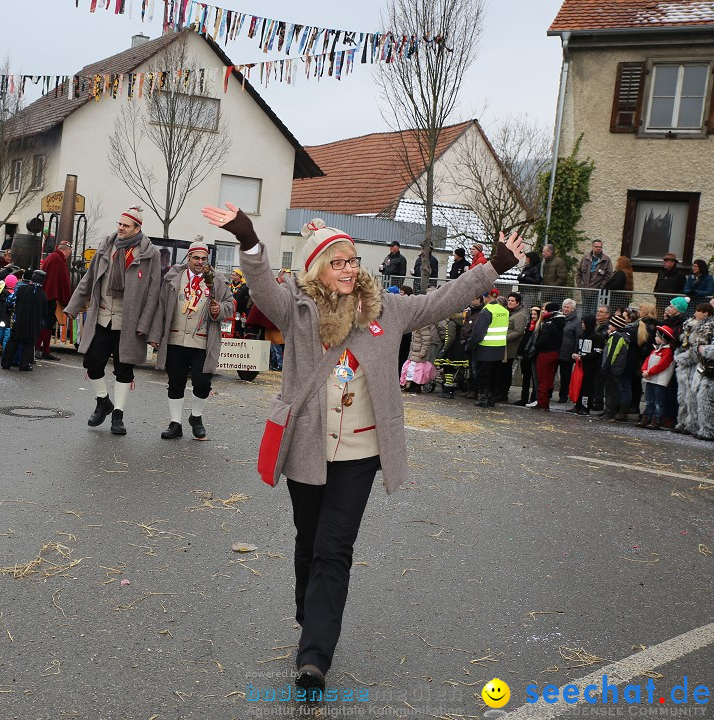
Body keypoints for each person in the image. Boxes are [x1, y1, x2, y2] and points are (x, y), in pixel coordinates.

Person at [201, 201, 522, 692]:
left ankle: (314, 658)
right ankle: (309, 611)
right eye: (338, 262)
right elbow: (263, 284)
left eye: (352, 261)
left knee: (335, 548)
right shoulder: (299, 309)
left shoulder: (387, 310)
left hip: (360, 454)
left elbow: (442, 300)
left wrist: (494, 265)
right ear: (317, 270)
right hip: (307, 448)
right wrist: (247, 235)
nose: (350, 269)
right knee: (309, 542)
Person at [64, 206, 162, 435]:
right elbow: (88, 280)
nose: (120, 228)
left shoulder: (150, 254)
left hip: (130, 322)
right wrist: (72, 307)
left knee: (124, 369)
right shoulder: (106, 247)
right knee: (92, 361)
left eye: (125, 226)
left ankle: (118, 414)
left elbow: (153, 293)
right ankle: (103, 401)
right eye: (119, 224)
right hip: (103, 318)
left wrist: (146, 325)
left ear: (137, 228)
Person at [149, 238, 233, 439]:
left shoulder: (217, 281)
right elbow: (161, 307)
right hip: (176, 339)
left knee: (202, 382)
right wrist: (155, 335)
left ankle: (196, 417)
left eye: (204, 259)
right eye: (196, 258)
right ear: (188, 258)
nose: (200, 262)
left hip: (203, 341)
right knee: (175, 382)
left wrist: (219, 308)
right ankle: (175, 423)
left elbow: (229, 304)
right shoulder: (173, 279)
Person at [466, 290, 509, 407]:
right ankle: (491, 398)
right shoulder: (504, 311)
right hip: (499, 349)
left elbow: (479, 332)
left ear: (487, 297)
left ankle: (483, 398)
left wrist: (470, 345)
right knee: (494, 375)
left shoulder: (487, 311)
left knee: (483, 375)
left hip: (485, 349)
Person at [678, 303, 713, 437]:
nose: (695, 313)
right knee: (691, 395)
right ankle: (691, 424)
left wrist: (703, 350)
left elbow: (704, 346)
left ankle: (706, 430)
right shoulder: (693, 325)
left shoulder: (709, 326)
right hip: (700, 364)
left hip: (706, 365)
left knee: (705, 398)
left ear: (706, 313)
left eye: (698, 311)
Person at [2, 270, 47, 372]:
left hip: (19, 320)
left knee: (13, 340)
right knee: (29, 344)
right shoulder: (43, 296)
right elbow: (45, 313)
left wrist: (10, 310)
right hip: (33, 324)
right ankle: (24, 365)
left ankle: (6, 363)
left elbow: (10, 300)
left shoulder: (21, 289)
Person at [636, 325, 676, 429]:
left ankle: (656, 420)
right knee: (649, 401)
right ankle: (646, 418)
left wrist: (649, 372)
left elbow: (661, 365)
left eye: (657, 336)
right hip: (650, 379)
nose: (655, 338)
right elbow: (647, 361)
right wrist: (644, 370)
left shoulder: (667, 352)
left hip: (659, 381)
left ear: (663, 338)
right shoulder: (655, 350)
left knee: (658, 402)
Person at [38, 239, 72, 360]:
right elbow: (63, 281)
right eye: (69, 252)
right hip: (52, 296)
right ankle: (37, 348)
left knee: (48, 323)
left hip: (47, 295)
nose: (69, 255)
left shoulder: (53, 257)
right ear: (66, 251)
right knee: (48, 323)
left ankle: (45, 350)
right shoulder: (58, 260)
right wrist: (66, 299)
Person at [533, 302, 565, 410]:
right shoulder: (560, 322)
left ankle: (542, 403)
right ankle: (544, 402)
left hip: (545, 353)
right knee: (549, 378)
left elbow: (543, 340)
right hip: (555, 352)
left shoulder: (549, 324)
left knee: (542, 379)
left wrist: (536, 345)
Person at [569, 314, 601, 415]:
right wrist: (575, 354)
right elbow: (577, 345)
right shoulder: (581, 334)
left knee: (587, 387)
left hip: (590, 366)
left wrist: (583, 357)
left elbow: (597, 352)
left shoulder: (596, 336)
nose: (582, 325)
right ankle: (577, 405)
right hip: (580, 365)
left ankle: (585, 406)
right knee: (579, 384)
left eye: (583, 323)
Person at [602, 314, 631, 421]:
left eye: (611, 324)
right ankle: (608, 410)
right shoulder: (620, 336)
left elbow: (612, 354)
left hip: (612, 368)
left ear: (615, 326)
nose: (609, 326)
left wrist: (605, 367)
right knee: (611, 390)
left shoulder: (617, 337)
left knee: (611, 391)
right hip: (616, 368)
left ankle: (610, 412)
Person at [499, 292, 526, 403]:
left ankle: (503, 393)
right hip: (502, 347)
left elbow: (519, 331)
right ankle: (499, 391)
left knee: (506, 371)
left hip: (510, 347)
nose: (509, 302)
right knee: (500, 370)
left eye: (512, 301)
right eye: (509, 300)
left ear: (517, 303)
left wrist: (503, 337)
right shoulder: (507, 312)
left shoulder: (520, 315)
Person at [514, 305, 541, 406]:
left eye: (535, 314)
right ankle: (524, 398)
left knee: (534, 379)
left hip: (532, 355)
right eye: (532, 314)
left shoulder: (539, 326)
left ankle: (533, 398)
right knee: (525, 378)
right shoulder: (530, 325)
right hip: (525, 355)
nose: (533, 316)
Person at [557, 299, 581, 403]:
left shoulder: (577, 322)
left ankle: (563, 395)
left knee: (565, 376)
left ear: (573, 309)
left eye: (568, 307)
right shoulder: (558, 318)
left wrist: (574, 351)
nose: (565, 309)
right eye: (564, 307)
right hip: (556, 350)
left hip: (567, 353)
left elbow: (578, 338)